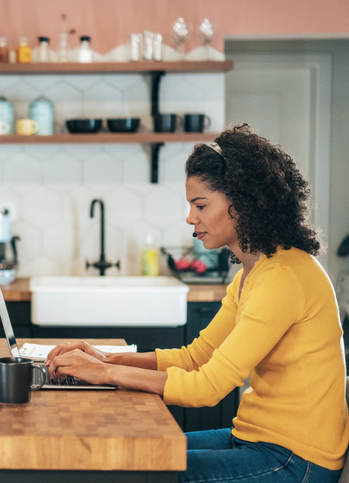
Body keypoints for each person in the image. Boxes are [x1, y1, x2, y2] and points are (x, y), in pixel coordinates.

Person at [45, 124, 349, 483]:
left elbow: (208, 386)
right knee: (133, 456)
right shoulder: (253, 274)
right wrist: (103, 357)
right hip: (256, 438)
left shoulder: (285, 276)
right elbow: (195, 356)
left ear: (243, 202)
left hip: (296, 458)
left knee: (140, 472)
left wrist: (105, 374)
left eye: (200, 205)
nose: (191, 218)